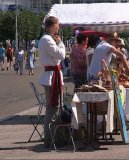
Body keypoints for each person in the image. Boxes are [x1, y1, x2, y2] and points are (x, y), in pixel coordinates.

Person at [38, 16, 66, 148]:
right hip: (51, 77)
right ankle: (50, 139)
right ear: (52, 25)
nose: (58, 27)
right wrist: (60, 43)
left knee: (55, 108)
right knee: (52, 109)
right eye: (57, 25)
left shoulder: (48, 39)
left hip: (53, 75)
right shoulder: (47, 39)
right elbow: (61, 55)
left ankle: (56, 138)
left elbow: (59, 57)